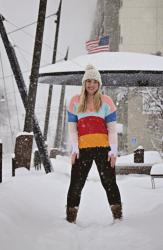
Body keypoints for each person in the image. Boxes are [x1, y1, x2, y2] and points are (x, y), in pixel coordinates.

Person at [66, 64, 122, 223]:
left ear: (99, 84)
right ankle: (71, 217)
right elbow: (72, 129)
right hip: (82, 150)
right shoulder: (75, 101)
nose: (91, 85)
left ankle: (118, 216)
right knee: (76, 184)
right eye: (88, 81)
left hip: (103, 149)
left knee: (109, 183)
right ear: (84, 83)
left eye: (95, 81)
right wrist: (75, 148)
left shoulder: (106, 101)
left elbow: (112, 129)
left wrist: (113, 151)